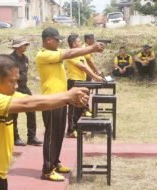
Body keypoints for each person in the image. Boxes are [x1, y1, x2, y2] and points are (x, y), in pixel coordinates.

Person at [0, 54, 89, 190]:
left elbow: (36, 101)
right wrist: (68, 95)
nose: (16, 86)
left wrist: (68, 100)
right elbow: (27, 104)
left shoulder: (5, 94)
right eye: (13, 81)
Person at [35, 27, 104, 181]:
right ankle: (47, 170)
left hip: (61, 97)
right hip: (50, 100)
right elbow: (69, 53)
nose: (59, 42)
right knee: (51, 134)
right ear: (48, 40)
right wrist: (91, 48)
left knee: (59, 133)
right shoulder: (44, 54)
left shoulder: (53, 53)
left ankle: (55, 162)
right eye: (57, 39)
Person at [65, 34, 104, 138]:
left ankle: (78, 128)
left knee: (81, 106)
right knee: (73, 108)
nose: (81, 43)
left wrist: (96, 74)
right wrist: (95, 77)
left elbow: (87, 66)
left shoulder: (80, 54)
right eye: (79, 41)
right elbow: (82, 67)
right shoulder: (71, 54)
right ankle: (71, 131)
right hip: (74, 82)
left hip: (82, 82)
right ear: (73, 44)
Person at [9, 37, 42, 146]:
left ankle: (31, 137)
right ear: (17, 46)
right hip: (14, 87)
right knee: (14, 113)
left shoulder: (25, 58)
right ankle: (15, 137)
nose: (25, 46)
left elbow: (25, 73)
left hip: (24, 87)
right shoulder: (10, 59)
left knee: (32, 109)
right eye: (24, 45)